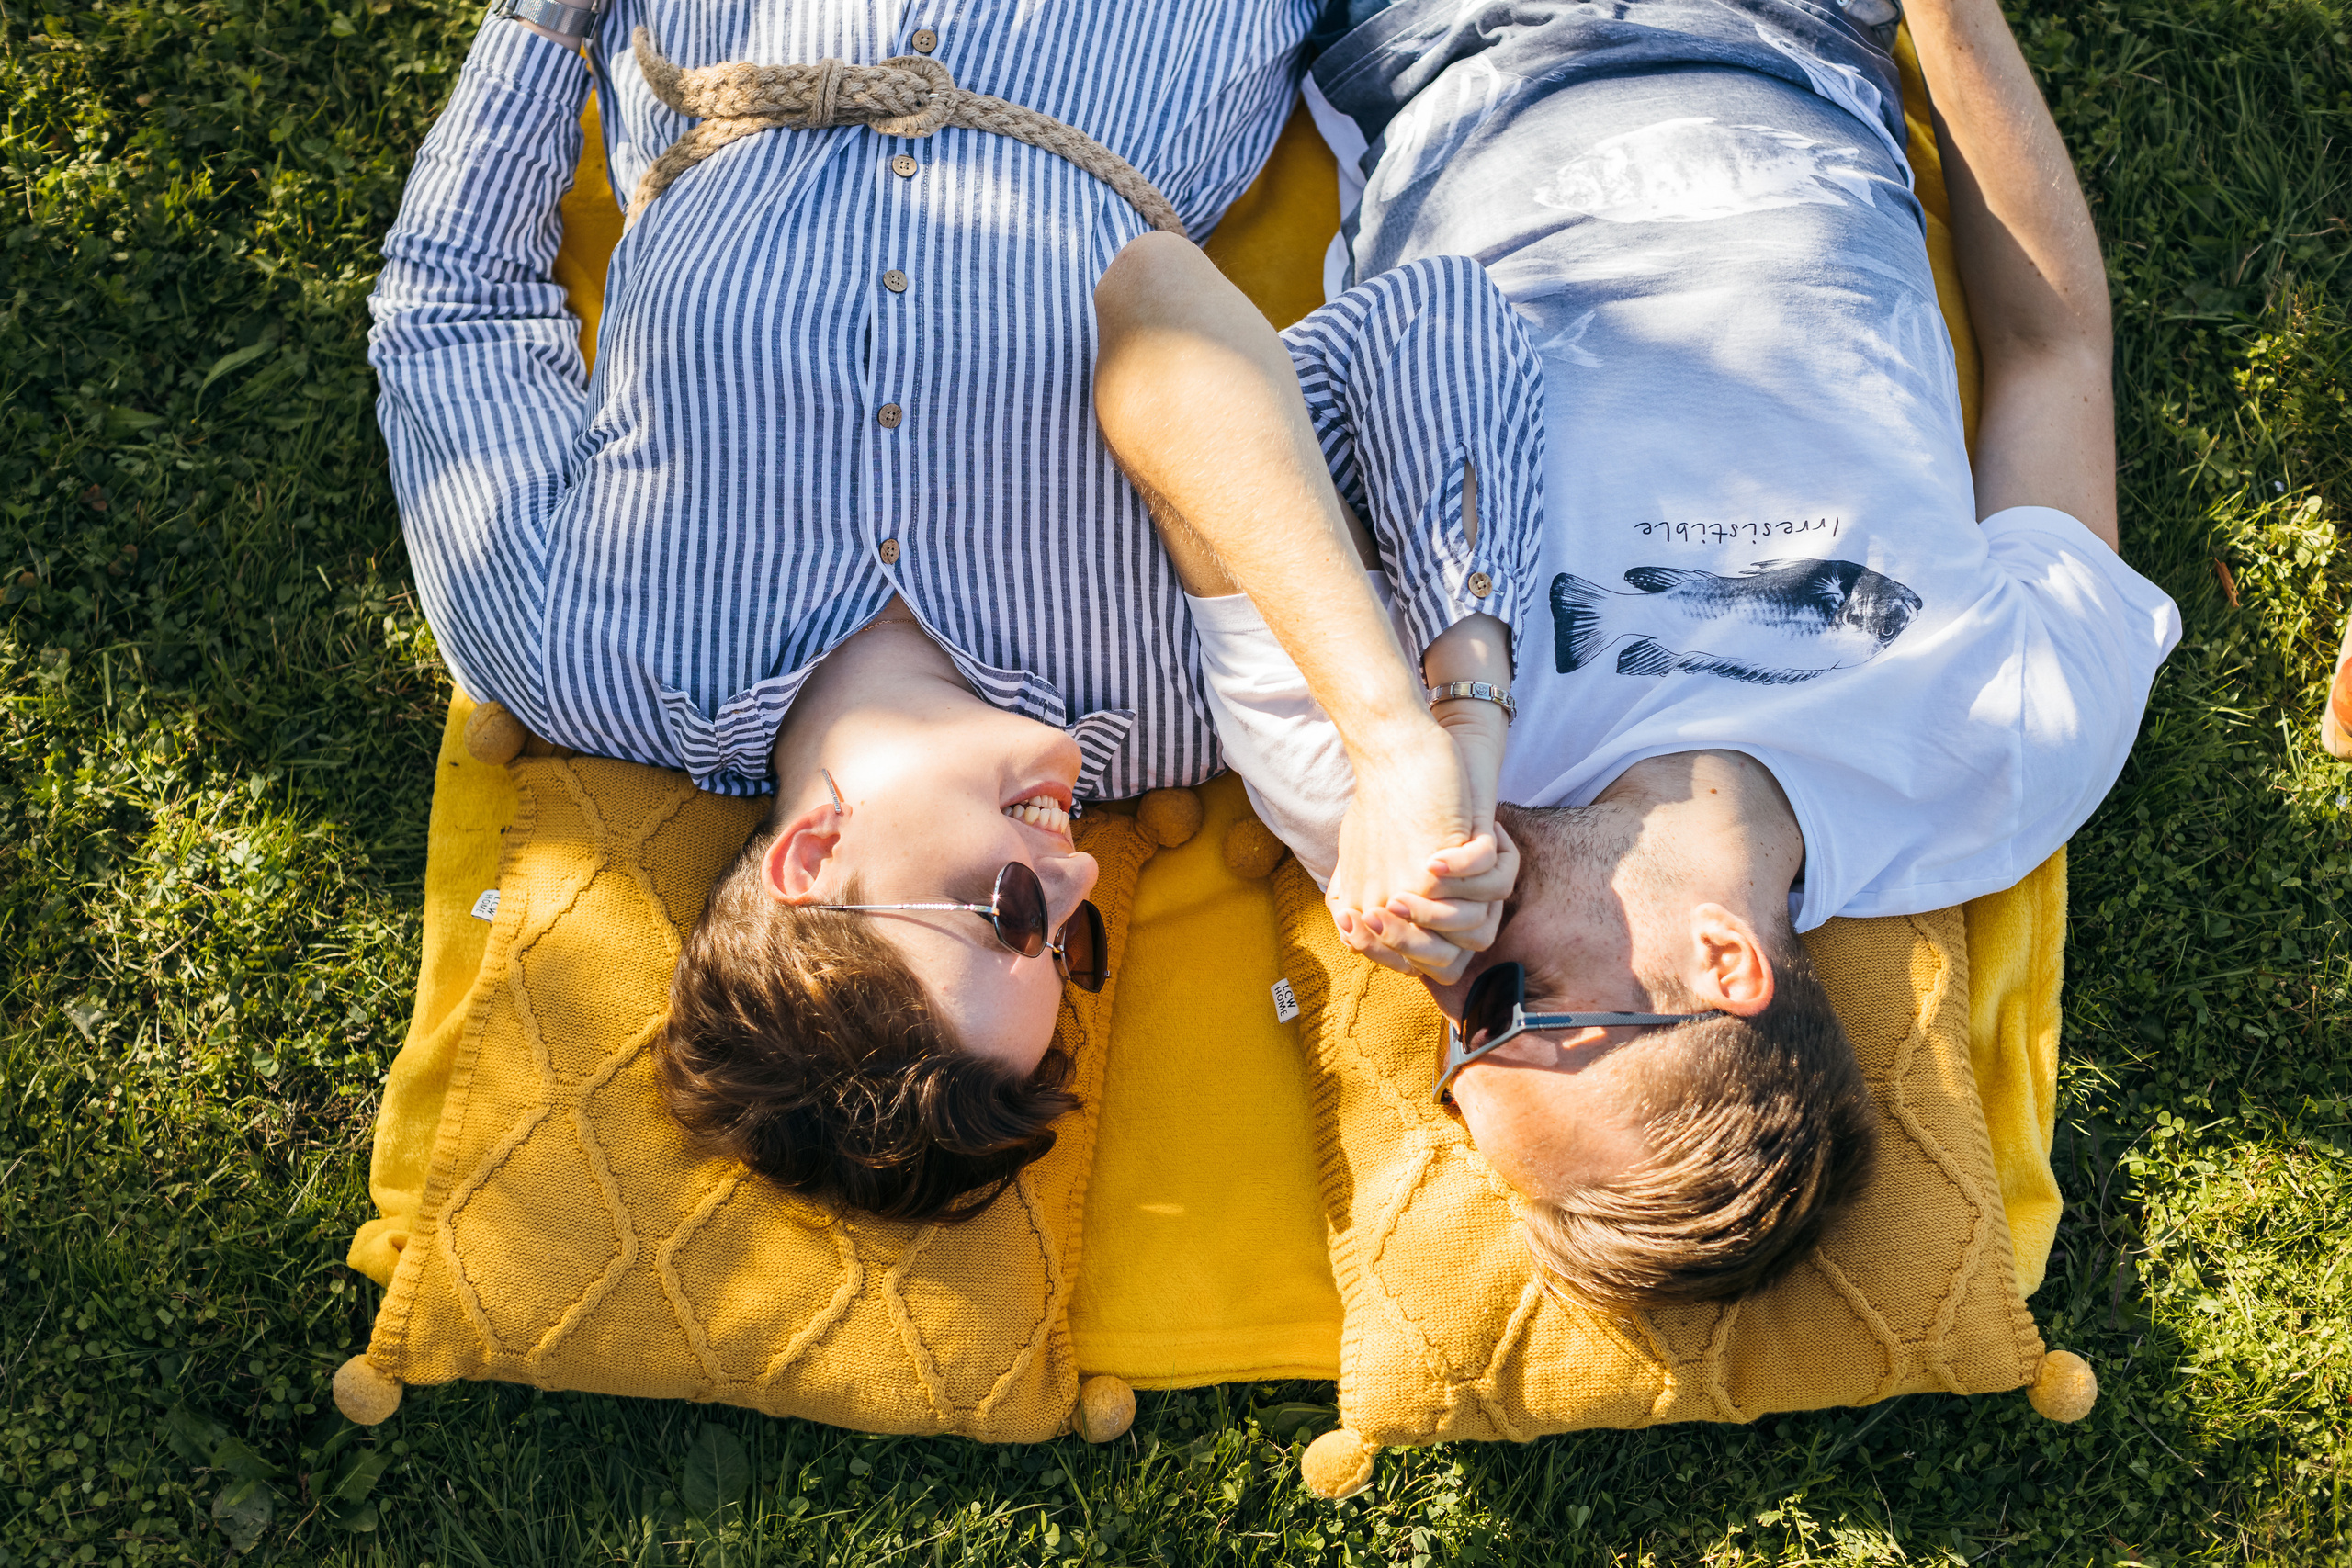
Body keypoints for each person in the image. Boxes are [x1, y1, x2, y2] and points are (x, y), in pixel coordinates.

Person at [367, 0, 1544, 1220]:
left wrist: (541, 23)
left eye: (1013, 913)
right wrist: (1445, 730)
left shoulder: (571, 644)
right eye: (1072, 943)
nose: (1082, 870)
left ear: (815, 856)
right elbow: (1435, 329)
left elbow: (451, 312)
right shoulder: (1174, 699)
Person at [1113, 0, 2182, 1306]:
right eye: (1513, 1007)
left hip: (1442, 48)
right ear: (1724, 967)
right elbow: (2052, 350)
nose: (1448, 986)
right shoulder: (2000, 753)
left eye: (1454, 1052)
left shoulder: (1390, 819)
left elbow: (1159, 325)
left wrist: (1409, 737)